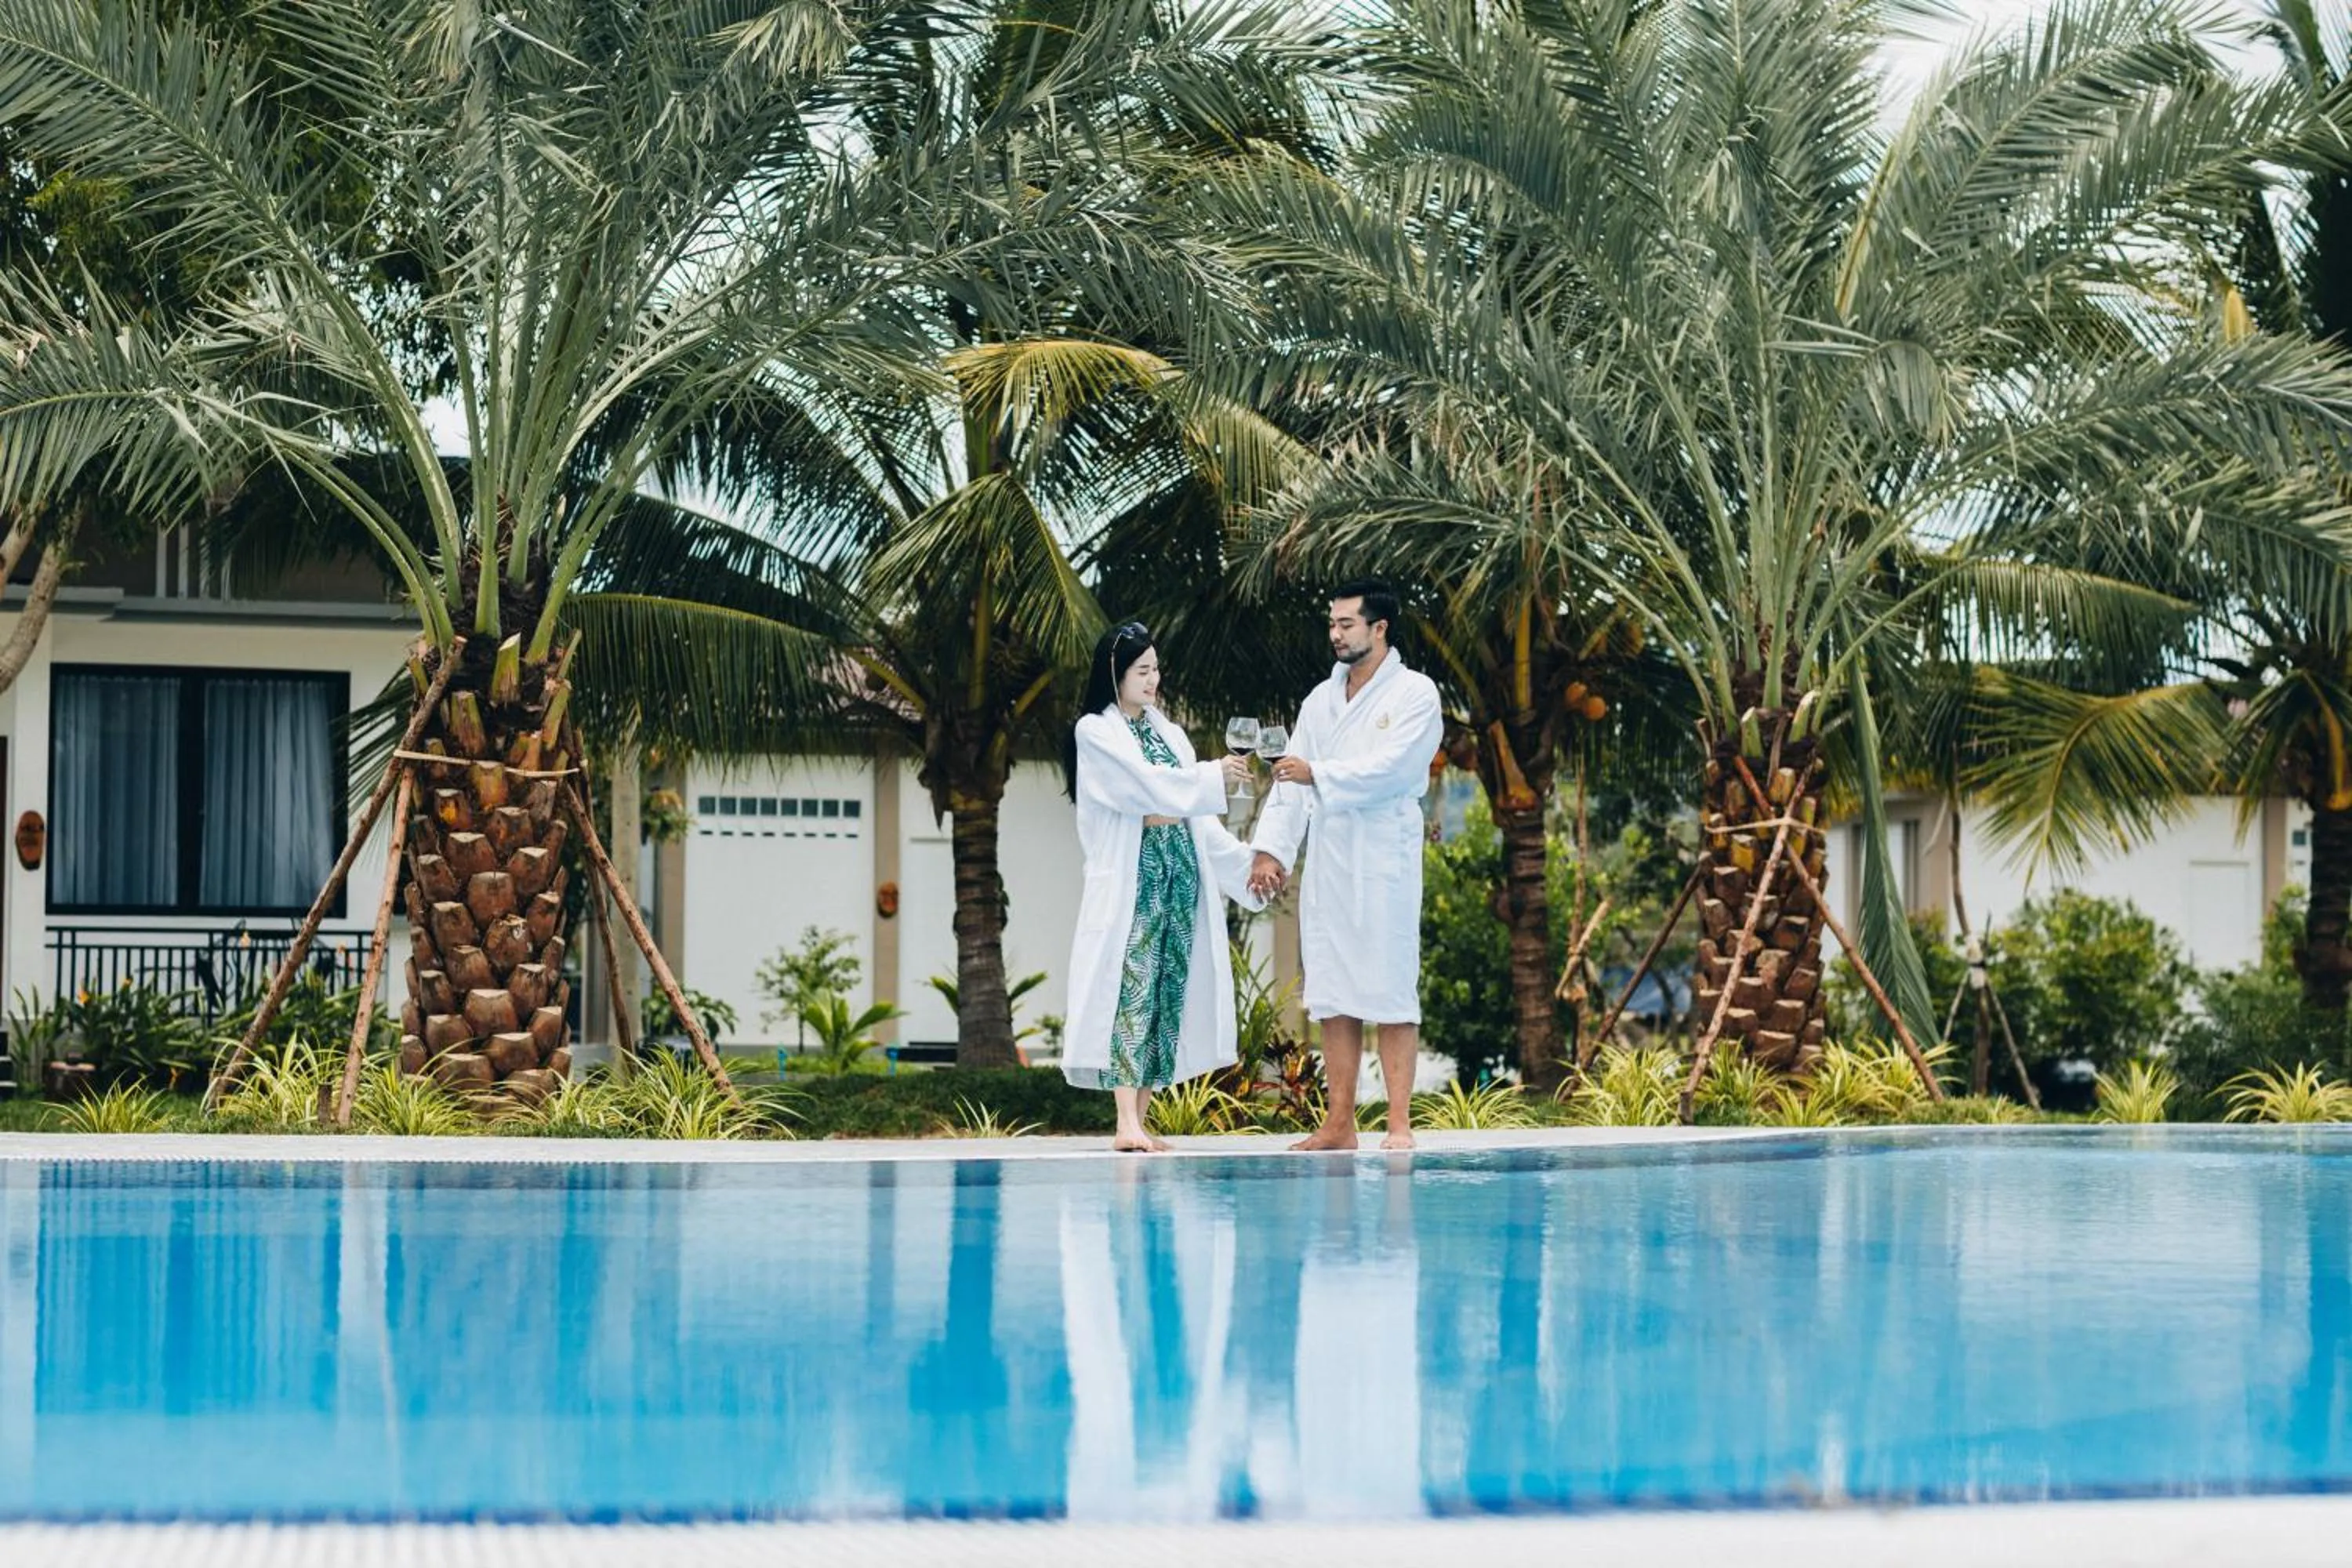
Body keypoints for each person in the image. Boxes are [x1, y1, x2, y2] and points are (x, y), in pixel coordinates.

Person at [1247, 579, 1443, 1151]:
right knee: (1332, 991)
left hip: (1383, 856)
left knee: (1390, 989)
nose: (1334, 634)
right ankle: (1339, 1123)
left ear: (1379, 629)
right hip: (1331, 858)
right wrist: (1272, 850)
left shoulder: (1415, 694)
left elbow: (1395, 768)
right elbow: (1290, 777)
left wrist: (1322, 775)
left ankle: (1400, 1123)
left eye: (1346, 625)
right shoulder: (1319, 700)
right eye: (1331, 624)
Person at [1063, 620, 1262, 1152]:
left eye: (1156, 669)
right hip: (1136, 878)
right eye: (1142, 670)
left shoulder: (1169, 734)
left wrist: (1252, 866)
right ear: (1116, 674)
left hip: (1180, 874)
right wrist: (1207, 780)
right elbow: (1143, 791)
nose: (1153, 679)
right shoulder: (1096, 732)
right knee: (1131, 986)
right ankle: (1124, 1120)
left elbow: (1194, 818)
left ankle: (1142, 1121)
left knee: (1164, 991)